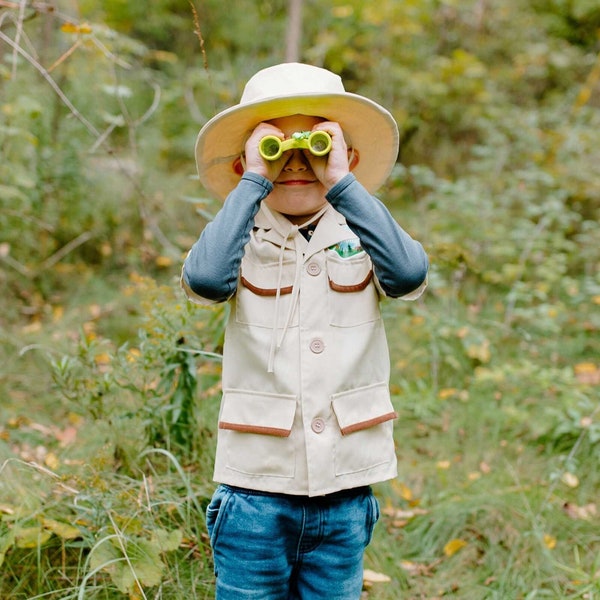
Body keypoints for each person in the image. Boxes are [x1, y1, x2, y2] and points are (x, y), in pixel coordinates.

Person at [181, 62, 428, 599]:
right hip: (254, 488)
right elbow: (204, 280)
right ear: (245, 164)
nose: (296, 164)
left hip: (343, 488)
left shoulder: (361, 231)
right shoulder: (242, 234)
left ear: (348, 156)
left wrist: (341, 182)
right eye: (275, 150)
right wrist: (253, 181)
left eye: (315, 148)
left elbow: (409, 275)